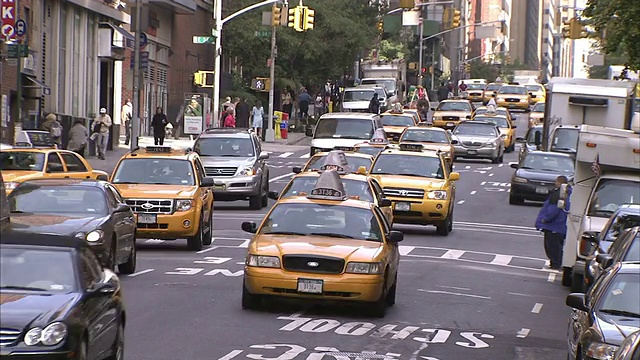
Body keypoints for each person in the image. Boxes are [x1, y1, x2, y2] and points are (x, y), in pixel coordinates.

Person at [535, 175, 570, 270]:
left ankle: (555, 263)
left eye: (556, 182)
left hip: (553, 226)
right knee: (558, 245)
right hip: (561, 226)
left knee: (552, 246)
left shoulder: (557, 194)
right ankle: (556, 262)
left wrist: (545, 219)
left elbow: (553, 209)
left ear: (559, 182)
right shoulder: (568, 193)